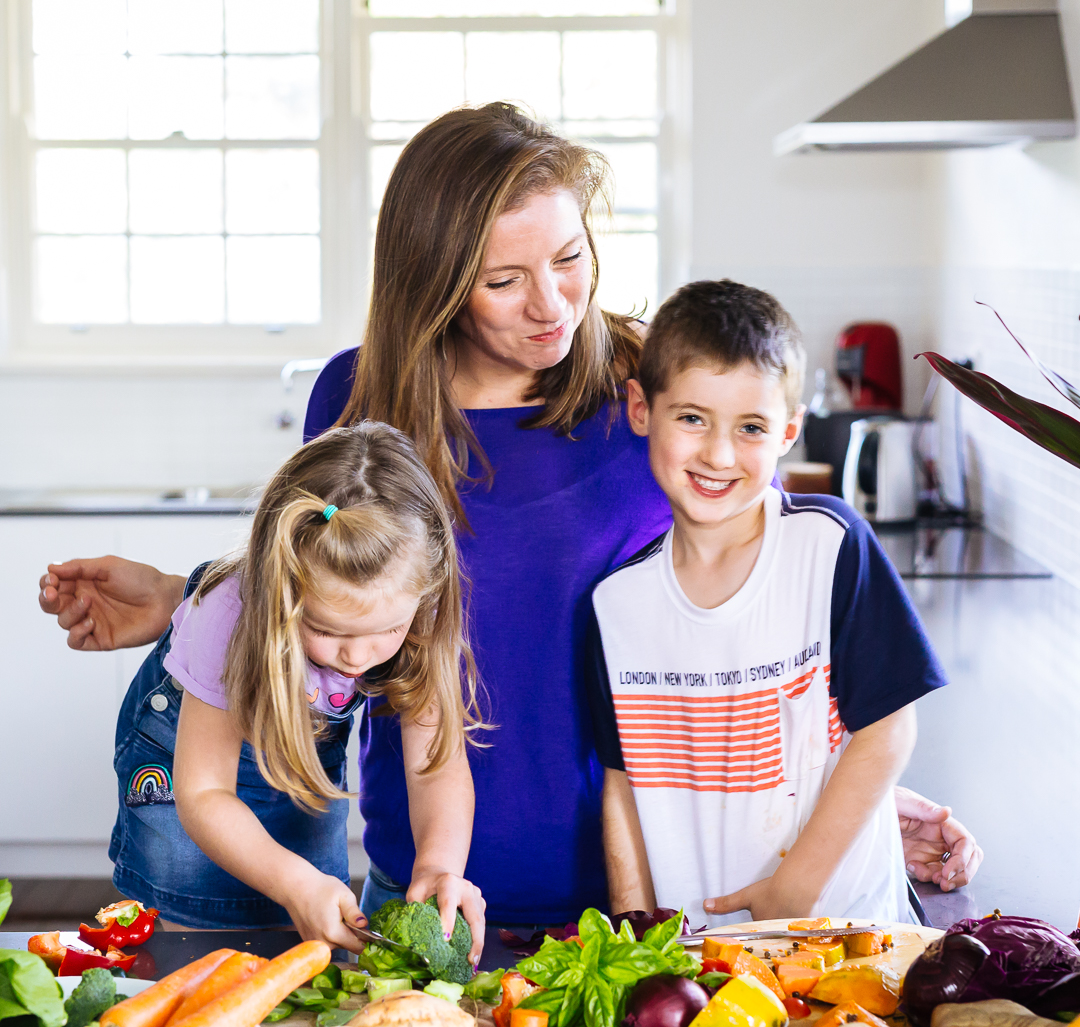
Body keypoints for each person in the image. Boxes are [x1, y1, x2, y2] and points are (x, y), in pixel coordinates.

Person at [38, 103, 980, 923]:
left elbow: (765, 622)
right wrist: (187, 596)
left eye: (570, 259)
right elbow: (336, 575)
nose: (553, 305)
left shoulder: (655, 391)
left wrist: (843, 802)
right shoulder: (359, 394)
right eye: (503, 281)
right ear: (436, 280)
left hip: (657, 885)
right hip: (431, 889)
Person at [591, 280, 946, 923]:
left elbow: (888, 731)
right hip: (697, 962)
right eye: (692, 418)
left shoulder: (831, 544)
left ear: (788, 430)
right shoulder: (616, 605)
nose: (719, 455)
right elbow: (622, 786)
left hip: (847, 934)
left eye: (750, 427)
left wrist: (794, 891)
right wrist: (633, 936)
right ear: (642, 409)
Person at [109, 421, 485, 956]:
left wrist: (439, 866)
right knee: (202, 940)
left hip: (299, 757)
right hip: (186, 766)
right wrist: (294, 881)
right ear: (276, 588)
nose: (356, 656)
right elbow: (204, 793)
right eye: (327, 631)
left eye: (386, 632)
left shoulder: (422, 605)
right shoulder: (226, 614)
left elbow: (437, 763)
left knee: (305, 930)